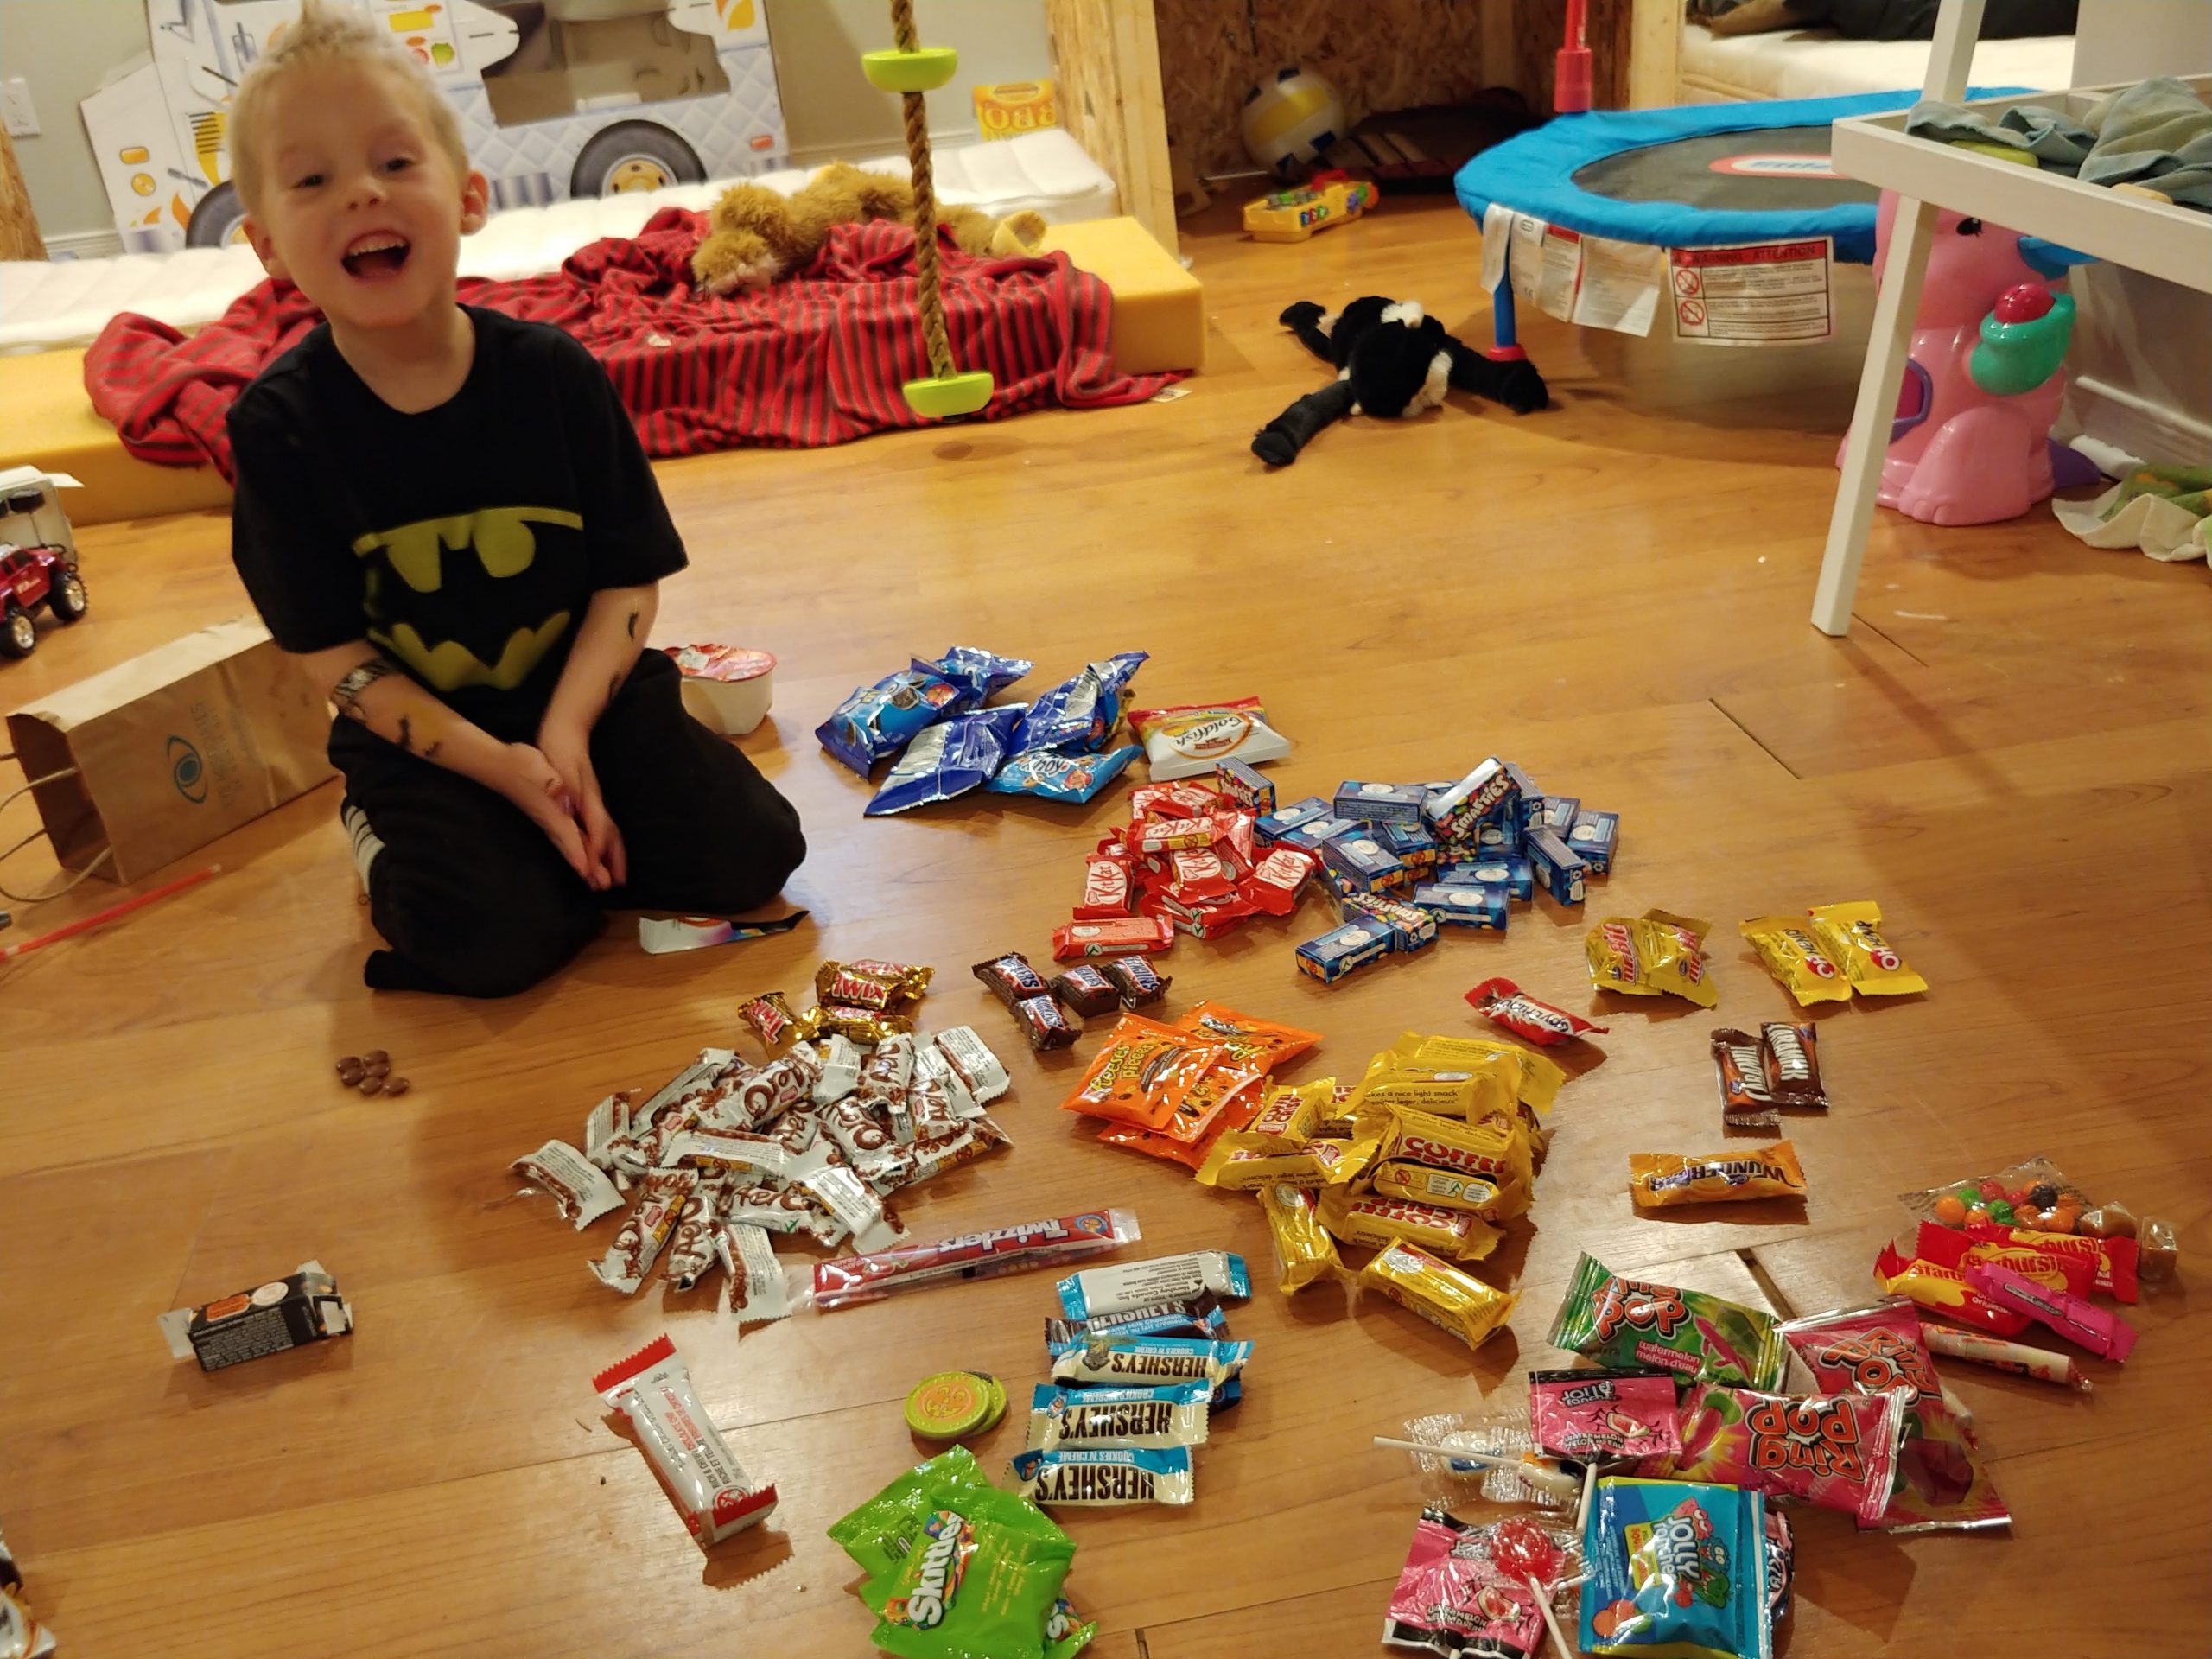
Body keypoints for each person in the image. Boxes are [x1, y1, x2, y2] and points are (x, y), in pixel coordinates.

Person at [223, 0, 803, 997]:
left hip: (583, 692)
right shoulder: (278, 431)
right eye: (312, 179)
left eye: (395, 161)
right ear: (267, 244)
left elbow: (626, 583)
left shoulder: (553, 374)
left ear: (469, 197)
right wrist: (503, 770)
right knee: (497, 945)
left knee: (756, 854)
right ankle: (384, 830)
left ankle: (559, 829)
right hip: (425, 739)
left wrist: (566, 737)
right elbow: (334, 660)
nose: (361, 191)